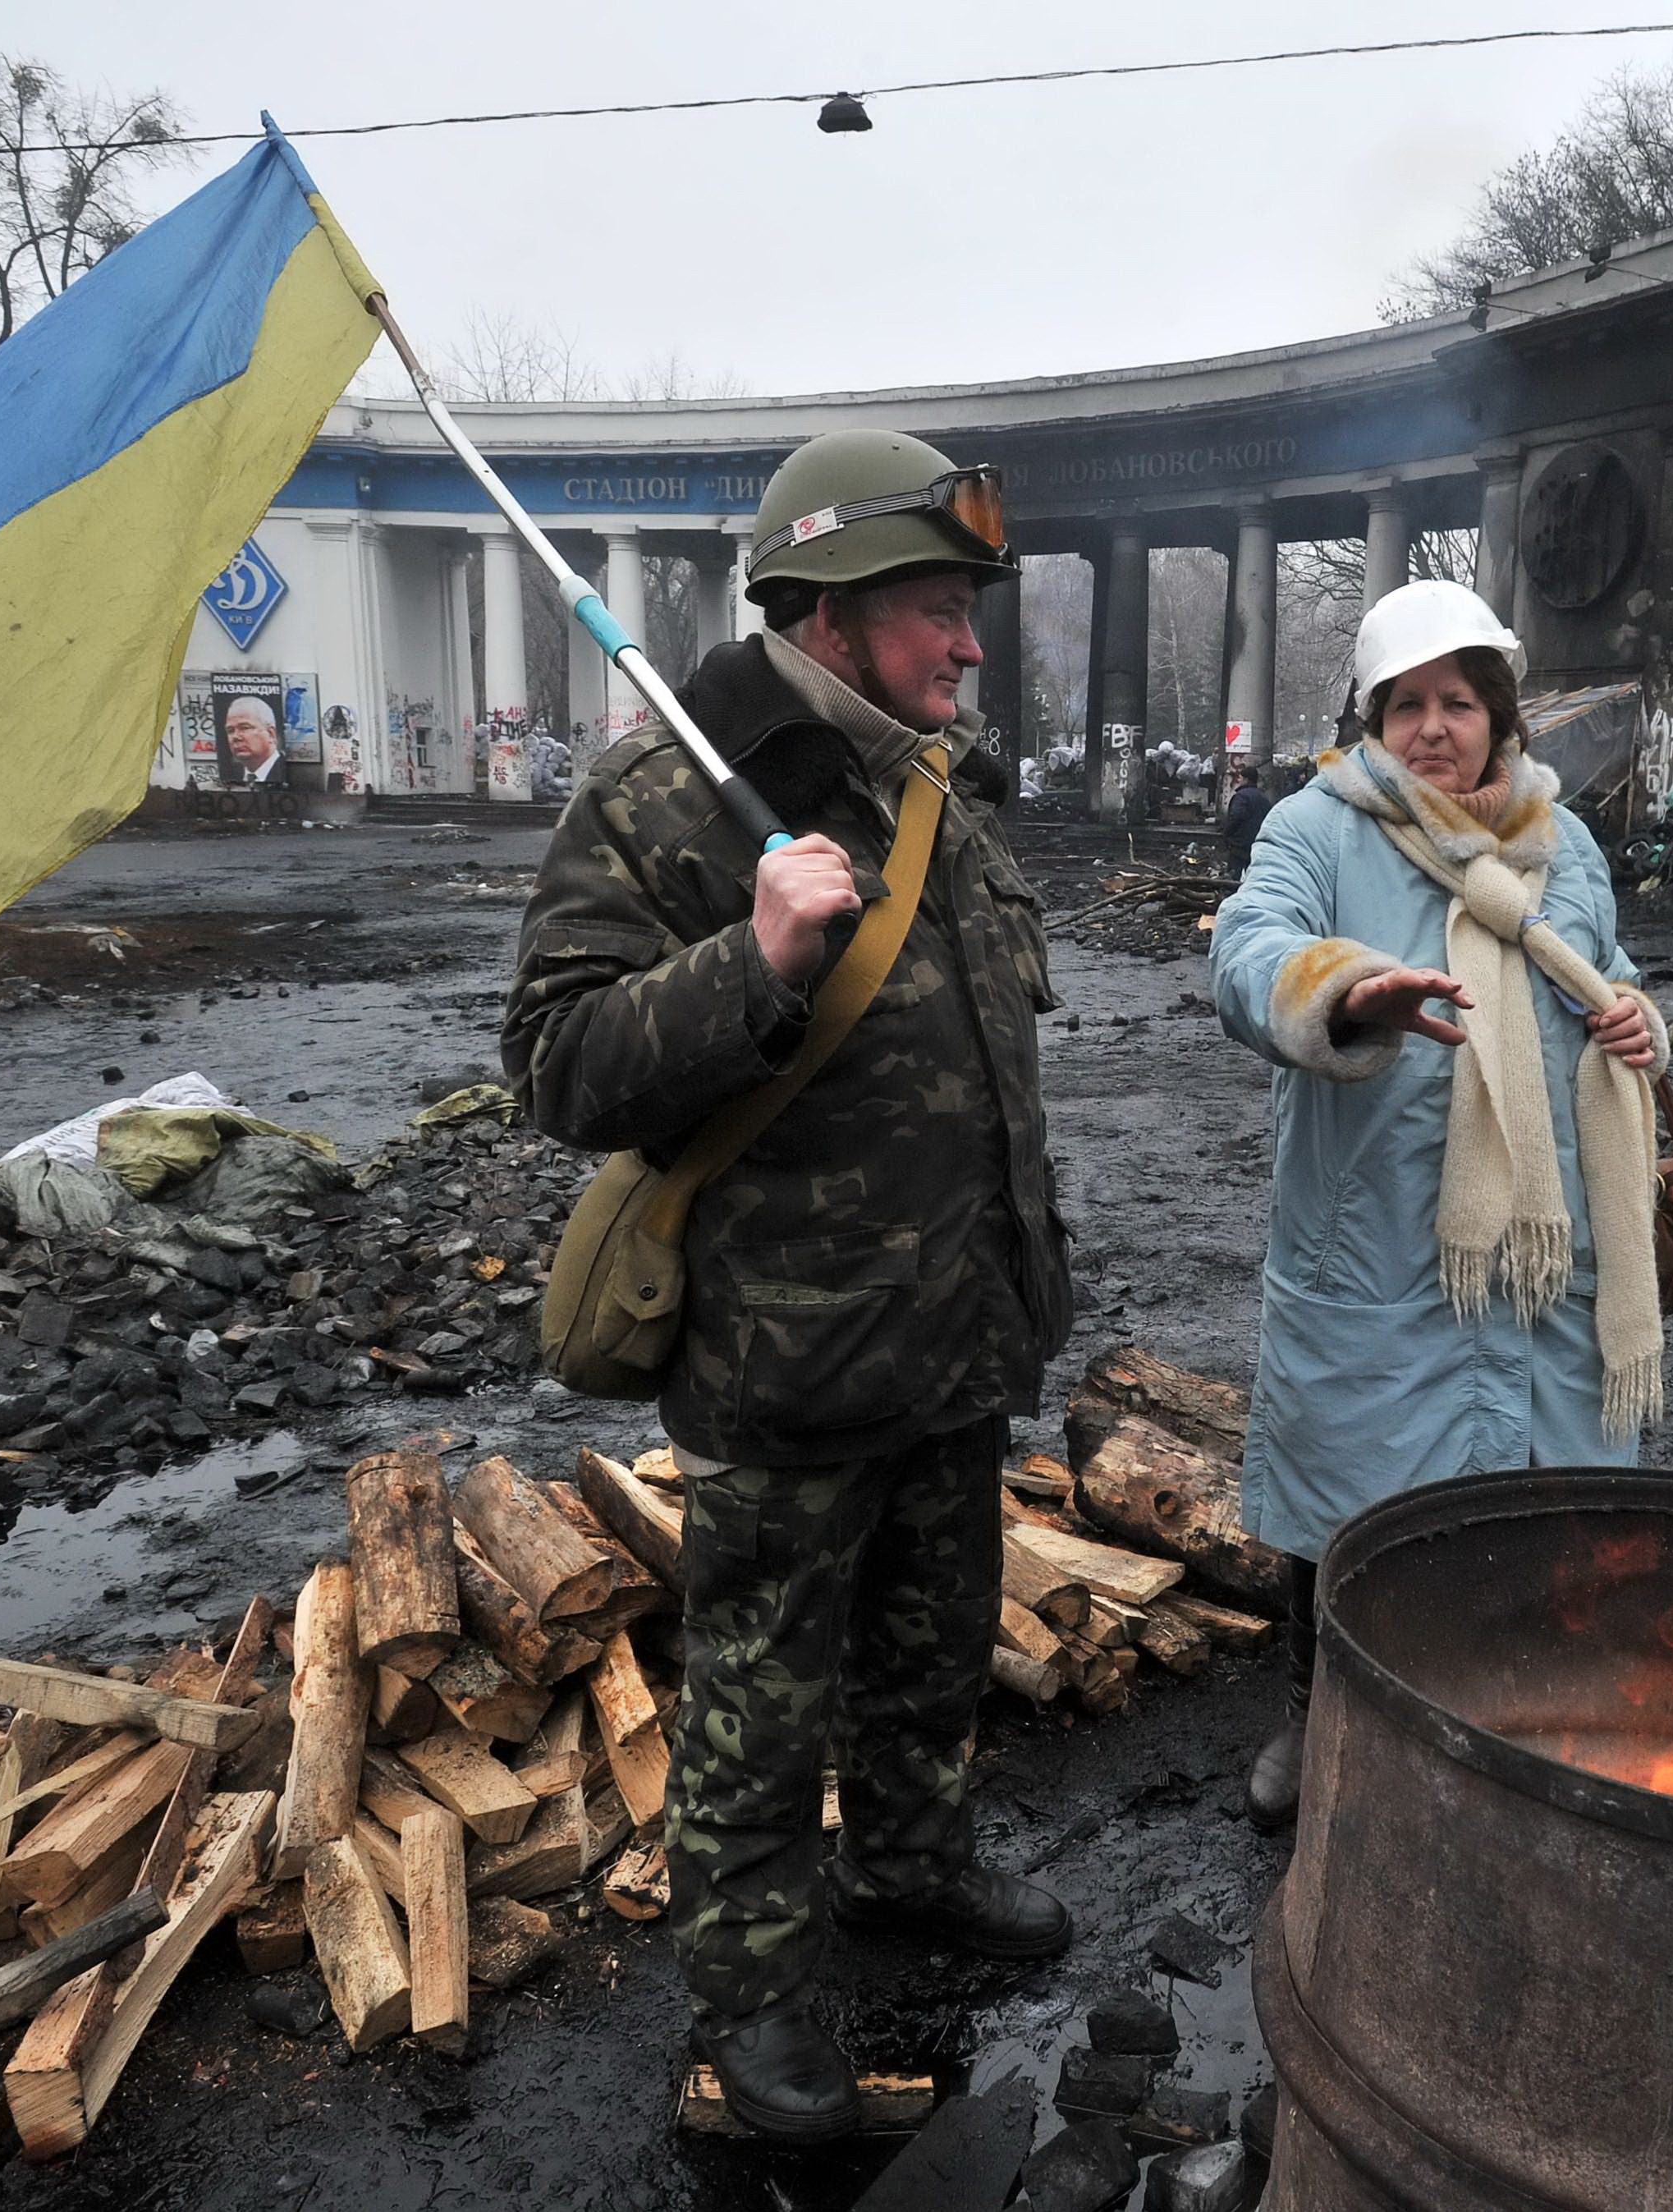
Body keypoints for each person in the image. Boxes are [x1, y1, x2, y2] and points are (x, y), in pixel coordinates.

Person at [503, 429, 1072, 2144]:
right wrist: (745, 962)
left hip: (956, 1344)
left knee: (928, 1654)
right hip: (786, 1364)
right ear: (822, 611)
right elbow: (557, 1065)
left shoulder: (933, 788)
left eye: (965, 611)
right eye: (930, 610)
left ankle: (910, 1871)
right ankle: (750, 2012)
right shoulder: (668, 794)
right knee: (758, 1706)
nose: (965, 646)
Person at [1208, 580, 1670, 1831]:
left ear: (1497, 714)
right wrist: (1344, 990)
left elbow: (1603, 972)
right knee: (1345, 1501)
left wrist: (1636, 1015)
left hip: (1538, 1245)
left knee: (1538, 1488)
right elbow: (1246, 950)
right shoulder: (1316, 827)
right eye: (1404, 702)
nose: (1431, 726)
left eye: (1456, 700)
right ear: (1369, 716)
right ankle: (1321, 1716)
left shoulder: (1561, 842)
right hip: (1380, 1241)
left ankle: (1512, 1713)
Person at [1220, 762, 1271, 875]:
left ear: (1247, 780)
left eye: (1241, 778)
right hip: (1257, 844)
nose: (1239, 781)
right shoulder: (1264, 798)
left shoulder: (1241, 796)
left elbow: (1236, 817)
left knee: (1234, 875)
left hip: (1240, 844)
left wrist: (1227, 835)